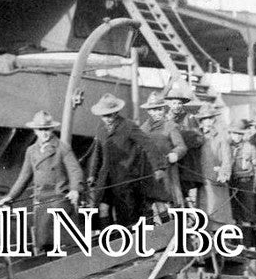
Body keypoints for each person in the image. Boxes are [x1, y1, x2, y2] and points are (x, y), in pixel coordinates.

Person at [0, 111, 83, 254]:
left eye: (47, 129)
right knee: (43, 243)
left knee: (60, 240)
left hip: (59, 198)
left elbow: (75, 171)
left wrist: (75, 189)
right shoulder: (31, 151)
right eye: (40, 130)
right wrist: (11, 196)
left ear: (51, 129)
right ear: (35, 131)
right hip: (41, 199)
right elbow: (24, 177)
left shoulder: (62, 148)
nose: (44, 133)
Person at [86, 94, 160, 228]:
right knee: (102, 208)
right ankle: (107, 238)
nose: (106, 119)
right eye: (103, 116)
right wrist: (92, 174)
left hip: (126, 178)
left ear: (115, 113)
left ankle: (126, 238)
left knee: (125, 213)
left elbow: (148, 144)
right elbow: (97, 154)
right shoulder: (101, 130)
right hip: (106, 179)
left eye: (109, 115)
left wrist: (158, 167)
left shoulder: (128, 126)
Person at [138, 92, 187, 207]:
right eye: (154, 110)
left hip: (167, 170)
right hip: (148, 170)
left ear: (164, 110)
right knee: (148, 202)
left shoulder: (170, 126)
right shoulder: (143, 128)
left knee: (167, 202)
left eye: (159, 109)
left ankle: (173, 223)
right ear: (149, 111)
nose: (157, 113)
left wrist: (175, 154)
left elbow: (181, 146)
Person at [165, 82, 203, 205]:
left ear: (183, 104)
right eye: (174, 103)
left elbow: (198, 139)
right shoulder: (165, 119)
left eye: (179, 103)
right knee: (171, 192)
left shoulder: (189, 118)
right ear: (169, 104)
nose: (176, 106)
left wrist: (182, 136)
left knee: (184, 192)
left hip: (186, 161)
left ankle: (189, 217)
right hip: (171, 160)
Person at [195, 106, 233, 224]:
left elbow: (227, 158)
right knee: (203, 210)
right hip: (201, 179)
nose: (208, 122)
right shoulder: (196, 137)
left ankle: (221, 236)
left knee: (217, 210)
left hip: (216, 179)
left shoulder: (221, 137)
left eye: (210, 118)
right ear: (201, 121)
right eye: (205, 119)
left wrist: (223, 173)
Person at [226, 119, 256, 238]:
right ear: (230, 134)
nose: (237, 136)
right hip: (232, 183)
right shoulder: (227, 147)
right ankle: (236, 244)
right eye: (234, 133)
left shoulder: (249, 147)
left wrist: (254, 184)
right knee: (235, 215)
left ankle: (247, 244)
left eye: (239, 134)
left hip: (246, 182)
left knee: (247, 214)